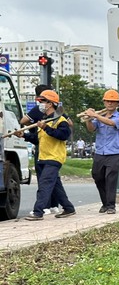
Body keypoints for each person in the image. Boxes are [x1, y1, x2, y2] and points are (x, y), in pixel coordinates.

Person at [17, 89, 76, 221]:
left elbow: (63, 135)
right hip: (43, 157)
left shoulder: (60, 120)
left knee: (44, 184)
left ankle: (38, 212)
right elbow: (39, 139)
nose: (40, 104)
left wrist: (46, 128)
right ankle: (68, 208)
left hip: (54, 158)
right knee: (55, 185)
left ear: (50, 103)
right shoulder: (44, 120)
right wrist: (24, 136)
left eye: (42, 101)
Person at [83, 89, 119, 214]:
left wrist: (95, 115)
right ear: (104, 102)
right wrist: (88, 119)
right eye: (108, 101)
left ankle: (111, 205)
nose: (110, 104)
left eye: (113, 101)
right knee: (97, 176)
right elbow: (91, 129)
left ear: (117, 103)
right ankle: (105, 203)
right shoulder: (100, 116)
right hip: (100, 152)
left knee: (111, 179)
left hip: (114, 152)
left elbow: (111, 123)